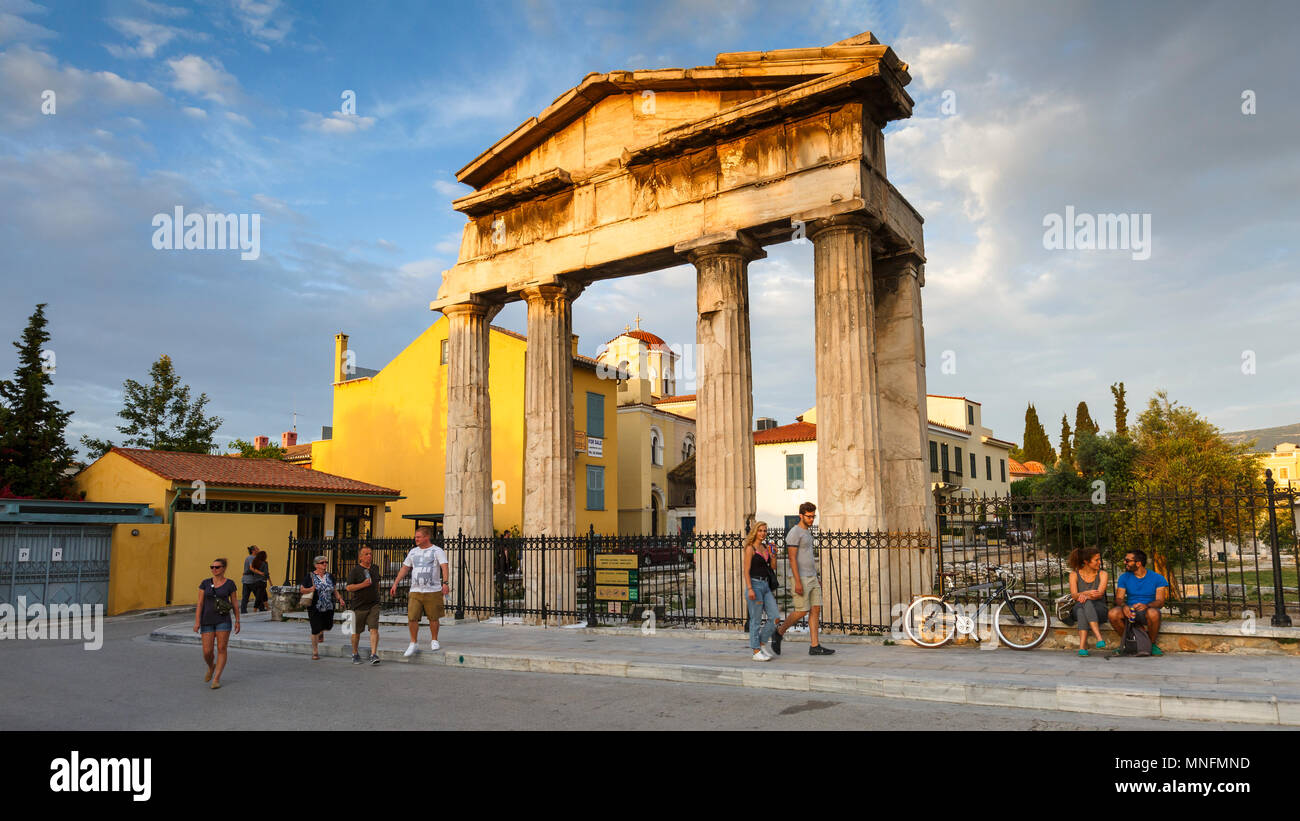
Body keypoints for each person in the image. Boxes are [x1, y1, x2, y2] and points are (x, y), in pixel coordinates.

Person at [773, 502, 834, 655]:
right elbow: (792, 558)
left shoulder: (807, 532)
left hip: (812, 577)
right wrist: (798, 581)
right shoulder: (795, 532)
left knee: (816, 609)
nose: (812, 519)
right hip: (800, 578)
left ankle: (815, 646)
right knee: (802, 610)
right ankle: (779, 632)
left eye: (813, 516)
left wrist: (816, 576)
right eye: (809, 516)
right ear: (801, 515)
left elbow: (808, 557)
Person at [390, 526, 449, 657]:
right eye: (415, 537)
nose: (415, 539)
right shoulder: (413, 552)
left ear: (426, 537)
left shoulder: (437, 551)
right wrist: (395, 583)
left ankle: (434, 640)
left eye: (418, 537)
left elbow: (444, 567)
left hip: (432, 590)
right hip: (415, 590)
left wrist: (445, 583)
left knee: (433, 617)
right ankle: (413, 642)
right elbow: (405, 568)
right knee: (412, 617)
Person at [1108, 549, 1169, 656]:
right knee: (1113, 613)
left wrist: (1147, 605)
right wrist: (1124, 606)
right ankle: (1128, 642)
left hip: (1147, 610)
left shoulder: (1158, 578)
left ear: (1138, 563)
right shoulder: (1124, 577)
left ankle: (1151, 644)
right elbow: (1119, 599)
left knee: (1153, 614)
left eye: (1127, 561)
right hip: (1130, 610)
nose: (1125, 563)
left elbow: (1160, 601)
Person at [194, 557, 239, 689]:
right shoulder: (205, 583)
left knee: (221, 648)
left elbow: (235, 603)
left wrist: (238, 620)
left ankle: (216, 679)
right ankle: (211, 666)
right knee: (207, 652)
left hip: (223, 619)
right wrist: (197, 621)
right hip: (207, 620)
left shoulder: (230, 584)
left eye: (217, 567)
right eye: (212, 567)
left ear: (223, 568)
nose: (214, 569)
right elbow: (200, 603)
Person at [743, 521, 780, 661]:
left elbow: (773, 567)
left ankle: (762, 643)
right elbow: (746, 571)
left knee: (775, 617)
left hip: (765, 586)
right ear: (755, 532)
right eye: (760, 530)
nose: (763, 533)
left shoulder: (766, 547)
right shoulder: (750, 548)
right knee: (756, 620)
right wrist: (750, 589)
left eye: (764, 531)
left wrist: (774, 554)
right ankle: (756, 650)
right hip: (754, 585)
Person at [299, 555, 346, 660]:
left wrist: (340, 599)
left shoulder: (330, 576)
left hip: (329, 606)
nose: (325, 564)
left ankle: (321, 632)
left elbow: (334, 590)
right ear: (316, 565)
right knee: (315, 628)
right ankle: (315, 652)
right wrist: (311, 589)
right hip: (315, 606)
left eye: (326, 562)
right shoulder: (309, 576)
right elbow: (302, 590)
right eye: (322, 562)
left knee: (328, 626)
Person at [1067, 547, 1108, 655]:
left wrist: (1084, 595)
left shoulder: (1103, 574)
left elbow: (1099, 594)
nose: (1099, 562)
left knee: (1083, 606)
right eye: (1096, 560)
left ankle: (1082, 647)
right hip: (1079, 606)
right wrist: (1088, 593)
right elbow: (1074, 595)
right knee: (1083, 605)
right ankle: (1099, 637)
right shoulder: (1074, 575)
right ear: (1086, 561)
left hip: (1099, 609)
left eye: (1100, 559)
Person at [345, 545, 382, 665]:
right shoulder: (355, 570)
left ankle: (373, 654)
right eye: (366, 554)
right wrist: (363, 585)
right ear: (360, 557)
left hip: (374, 604)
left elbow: (377, 584)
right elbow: (349, 587)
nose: (369, 556)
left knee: (374, 628)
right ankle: (355, 654)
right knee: (356, 632)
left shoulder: (375, 568)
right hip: (359, 605)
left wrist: (377, 595)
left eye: (370, 554)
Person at [241, 546, 270, 613]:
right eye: (257, 549)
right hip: (251, 580)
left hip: (246, 579)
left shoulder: (250, 558)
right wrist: (261, 573)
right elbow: (251, 568)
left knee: (246, 596)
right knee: (258, 595)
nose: (259, 550)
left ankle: (243, 611)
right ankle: (261, 608)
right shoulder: (252, 557)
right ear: (253, 551)